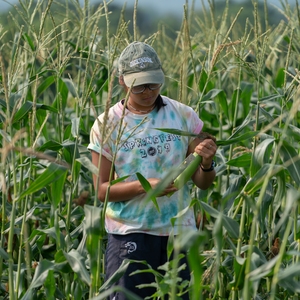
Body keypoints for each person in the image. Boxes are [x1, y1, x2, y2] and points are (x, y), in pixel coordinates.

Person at [88, 41, 217, 299]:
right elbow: (101, 191)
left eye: (154, 83)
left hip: (178, 234)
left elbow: (203, 182)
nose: (148, 92)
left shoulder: (182, 115)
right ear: (122, 82)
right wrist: (145, 186)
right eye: (139, 86)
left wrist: (205, 162)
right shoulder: (107, 124)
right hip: (129, 234)